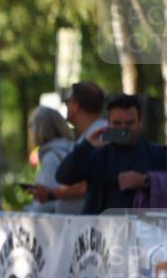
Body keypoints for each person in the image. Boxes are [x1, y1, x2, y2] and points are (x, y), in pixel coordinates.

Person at [56, 94, 167, 214]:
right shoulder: (97, 154)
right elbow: (63, 177)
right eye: (117, 124)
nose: (124, 128)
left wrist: (146, 180)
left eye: (129, 123)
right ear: (108, 123)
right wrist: (86, 145)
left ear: (140, 122)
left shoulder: (157, 153)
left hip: (145, 229)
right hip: (101, 229)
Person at [44, 81, 107, 211]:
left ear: (76, 106)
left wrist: (50, 194)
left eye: (67, 101)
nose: (66, 106)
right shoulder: (93, 135)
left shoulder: (100, 137)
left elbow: (87, 185)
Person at [24, 106, 79, 213]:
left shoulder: (51, 158)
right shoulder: (73, 149)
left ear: (39, 129)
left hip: (58, 224)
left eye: (32, 126)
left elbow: (46, 202)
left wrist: (27, 212)